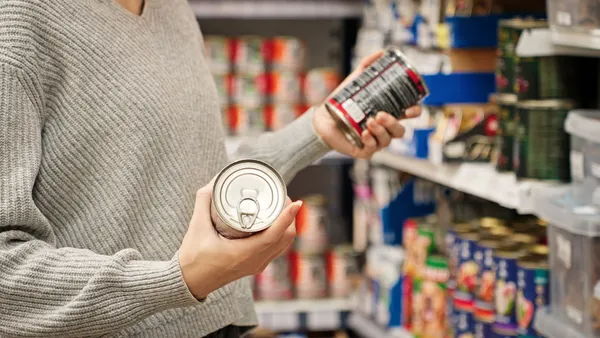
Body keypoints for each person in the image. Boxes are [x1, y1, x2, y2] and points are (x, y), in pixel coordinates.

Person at [0, 0, 420, 337]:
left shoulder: (172, 10)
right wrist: (178, 280)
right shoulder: (16, 23)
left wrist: (317, 129)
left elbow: (194, 185)